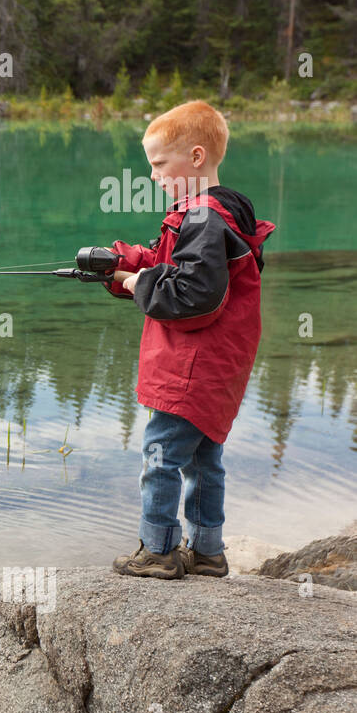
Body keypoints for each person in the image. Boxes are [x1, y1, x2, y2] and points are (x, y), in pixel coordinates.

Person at [105, 100, 276, 579]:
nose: (154, 175)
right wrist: (120, 263)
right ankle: (206, 551)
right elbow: (171, 261)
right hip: (218, 367)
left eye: (160, 164)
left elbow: (192, 297)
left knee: (159, 456)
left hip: (191, 368)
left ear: (196, 158)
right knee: (204, 459)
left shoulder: (203, 218)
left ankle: (158, 550)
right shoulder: (211, 213)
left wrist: (141, 284)